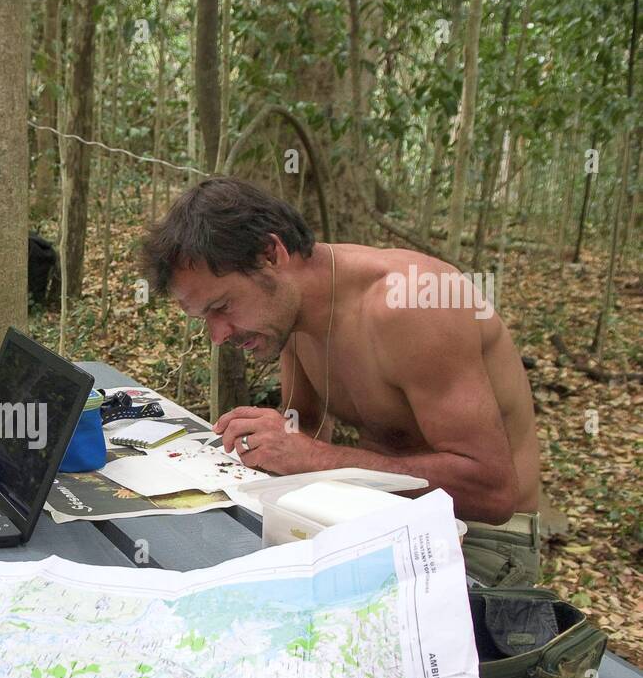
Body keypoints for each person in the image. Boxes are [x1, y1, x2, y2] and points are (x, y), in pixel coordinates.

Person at [139, 176, 541, 587]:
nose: (219, 335)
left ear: (270, 255)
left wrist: (316, 458)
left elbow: (492, 493)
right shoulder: (289, 314)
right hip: (371, 514)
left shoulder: (415, 303)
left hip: (480, 542)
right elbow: (304, 430)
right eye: (205, 318)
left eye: (222, 307)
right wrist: (266, 442)